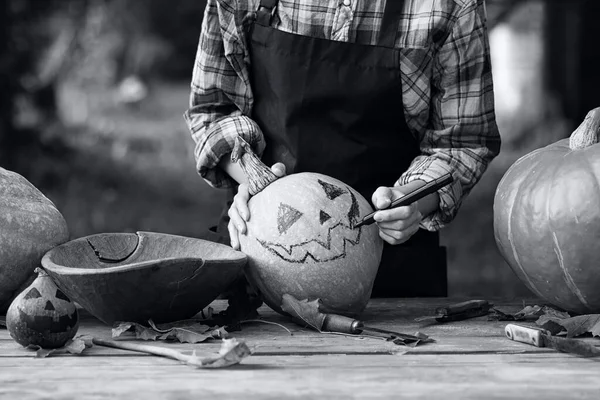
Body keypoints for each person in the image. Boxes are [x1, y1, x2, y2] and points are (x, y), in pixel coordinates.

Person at [184, 0, 501, 297]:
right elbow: (214, 109)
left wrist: (415, 201)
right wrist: (255, 181)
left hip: (389, 266)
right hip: (258, 248)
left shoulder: (451, 7)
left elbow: (462, 142)